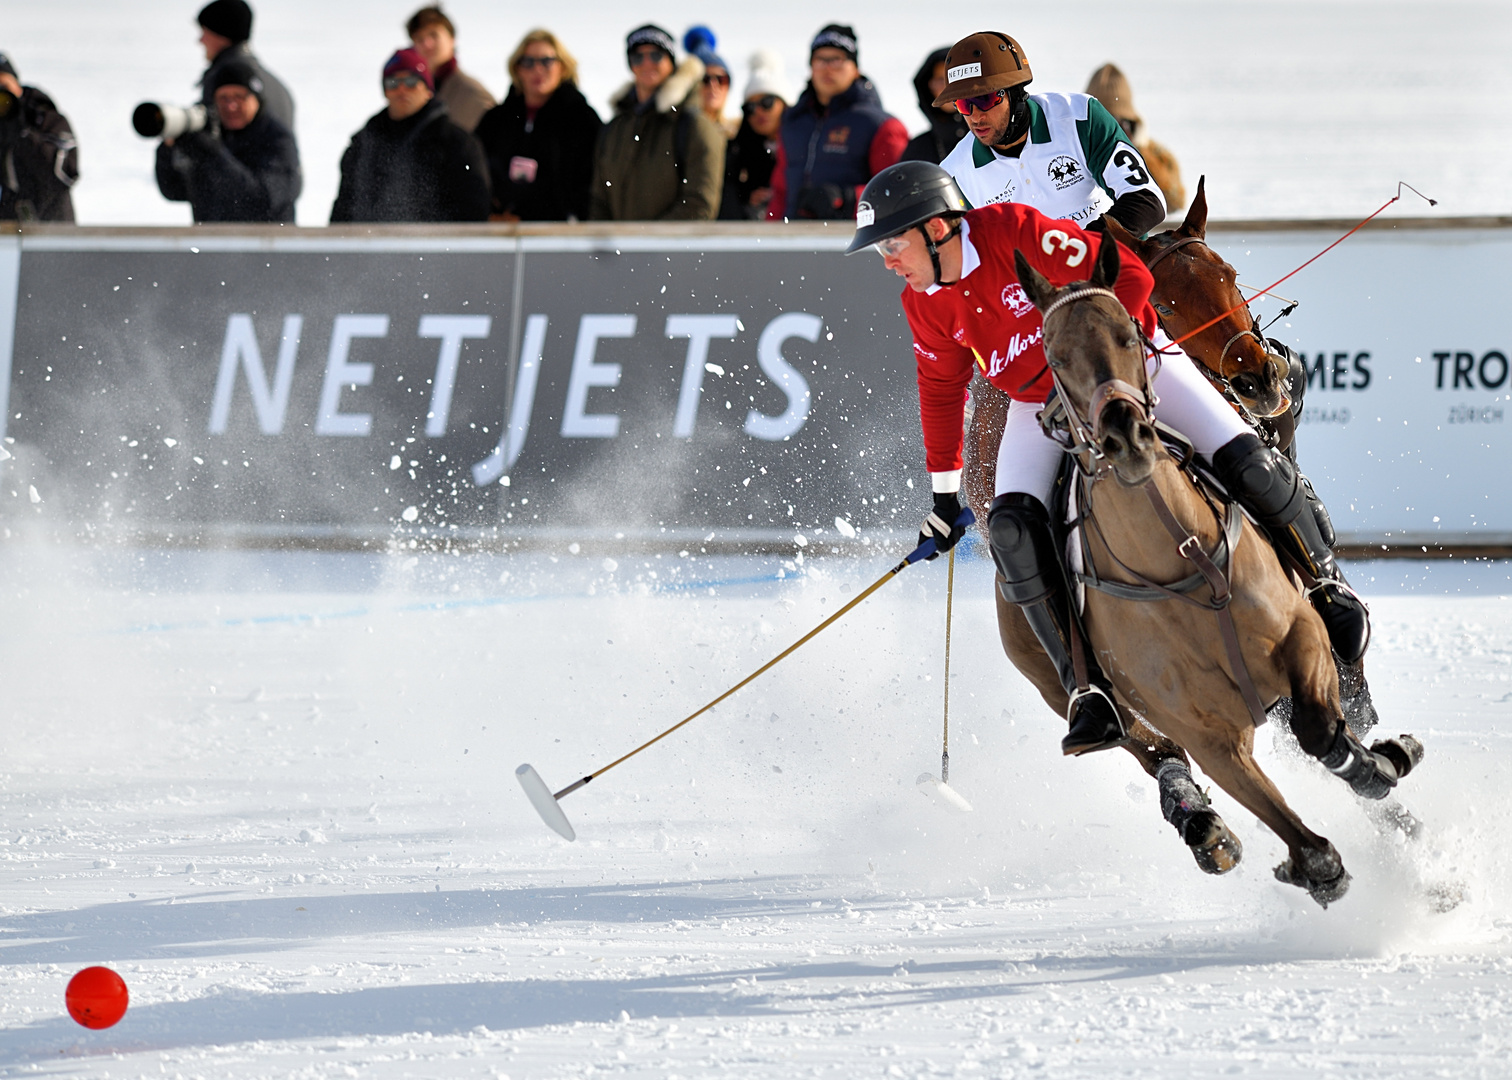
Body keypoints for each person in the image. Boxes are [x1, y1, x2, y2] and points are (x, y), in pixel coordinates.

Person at [846, 162, 1367, 755]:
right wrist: (944, 498)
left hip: (1130, 369)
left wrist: (1115, 357)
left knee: (1247, 457)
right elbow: (940, 392)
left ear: (938, 228)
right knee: (1014, 531)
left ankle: (1325, 587)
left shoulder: (1013, 230)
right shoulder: (924, 305)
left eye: (892, 243)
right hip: (1038, 403)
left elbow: (1129, 273)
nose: (887, 260)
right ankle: (1085, 689)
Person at [933, 31, 1163, 236]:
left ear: (1015, 92)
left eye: (984, 99)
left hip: (1117, 265)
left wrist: (1080, 250)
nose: (974, 116)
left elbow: (1146, 199)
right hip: (1034, 281)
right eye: (963, 104)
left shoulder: (1080, 118)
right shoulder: (955, 174)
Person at [329, 48, 490, 224]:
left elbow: (474, 211)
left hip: (436, 247)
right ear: (385, 91)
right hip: (369, 247)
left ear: (428, 90)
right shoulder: (363, 145)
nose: (402, 89)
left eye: (411, 81)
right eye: (392, 83)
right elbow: (343, 209)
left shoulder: (457, 143)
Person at [766, 24, 907, 221]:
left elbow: (898, 192)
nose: (828, 68)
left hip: (854, 241)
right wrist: (768, 238)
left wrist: (846, 199)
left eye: (837, 60)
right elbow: (780, 192)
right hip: (793, 240)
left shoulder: (881, 126)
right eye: (820, 60)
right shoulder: (793, 122)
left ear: (855, 69)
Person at [588, 24, 725, 222]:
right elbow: (599, 199)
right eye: (637, 57)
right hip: (619, 249)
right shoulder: (615, 129)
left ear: (671, 61)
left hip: (674, 250)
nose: (646, 63)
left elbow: (699, 204)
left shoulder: (694, 125)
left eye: (656, 55)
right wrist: (610, 245)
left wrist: (649, 244)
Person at [474, 29, 601, 222]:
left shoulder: (582, 120)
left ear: (563, 67)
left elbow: (589, 186)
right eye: (528, 62)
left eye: (547, 61)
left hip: (559, 235)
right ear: (517, 68)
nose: (538, 69)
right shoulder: (495, 120)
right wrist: (491, 208)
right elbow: (474, 173)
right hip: (500, 233)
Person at [155, 59, 300, 222]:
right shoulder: (211, 133)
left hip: (267, 243)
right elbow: (174, 190)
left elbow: (263, 199)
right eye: (223, 98)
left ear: (256, 99)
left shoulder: (277, 138)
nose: (231, 106)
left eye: (239, 97)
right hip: (211, 242)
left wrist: (212, 153)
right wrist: (168, 150)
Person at [1086, 62, 1185, 212]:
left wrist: (1135, 155)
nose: (1110, 129)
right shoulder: (1074, 149)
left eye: (1118, 121)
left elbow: (1175, 201)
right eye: (1103, 121)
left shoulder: (1158, 156)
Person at [0, 53, 78, 223]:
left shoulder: (46, 118)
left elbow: (63, 176)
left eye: (4, 86)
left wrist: (23, 135)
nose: (2, 97)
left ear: (17, 85)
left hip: (52, 234)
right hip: (5, 237)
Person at [195, 0, 293, 132]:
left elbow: (210, 140)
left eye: (205, 32)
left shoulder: (225, 80)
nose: (200, 41)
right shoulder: (271, 82)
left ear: (221, 34)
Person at [718, 51, 788, 221]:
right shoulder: (740, 150)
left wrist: (781, 194)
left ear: (784, 103)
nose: (758, 112)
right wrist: (747, 196)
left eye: (767, 103)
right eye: (750, 107)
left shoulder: (805, 143)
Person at [407, 6, 495, 133]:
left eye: (434, 35)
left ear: (452, 39)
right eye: (419, 39)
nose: (427, 44)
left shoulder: (474, 95)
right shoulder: (410, 93)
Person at [900, 47, 967, 166]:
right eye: (941, 80)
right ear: (929, 87)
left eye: (953, 80)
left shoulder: (991, 138)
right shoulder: (918, 149)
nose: (947, 89)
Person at [683, 26, 737, 137]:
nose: (714, 85)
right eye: (705, 79)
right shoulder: (677, 133)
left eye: (721, 80)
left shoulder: (738, 137)